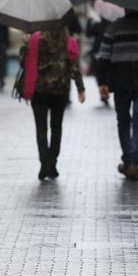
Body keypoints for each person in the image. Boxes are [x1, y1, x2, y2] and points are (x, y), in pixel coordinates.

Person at [97, 9, 138, 181]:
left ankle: (129, 161)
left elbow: (104, 56)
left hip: (120, 81)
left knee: (123, 120)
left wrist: (102, 82)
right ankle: (132, 162)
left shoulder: (113, 28)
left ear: (125, 9)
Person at [20, 27, 86, 180]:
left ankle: (44, 163)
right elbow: (74, 67)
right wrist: (80, 88)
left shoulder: (36, 39)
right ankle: (52, 163)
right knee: (56, 128)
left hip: (39, 90)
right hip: (60, 90)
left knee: (41, 129)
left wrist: (25, 44)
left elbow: (24, 62)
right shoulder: (68, 41)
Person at [86, 15, 112, 106]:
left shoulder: (98, 25)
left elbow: (88, 33)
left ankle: (103, 93)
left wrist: (89, 21)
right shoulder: (112, 26)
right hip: (109, 53)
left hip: (98, 53)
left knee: (100, 75)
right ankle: (105, 93)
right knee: (106, 75)